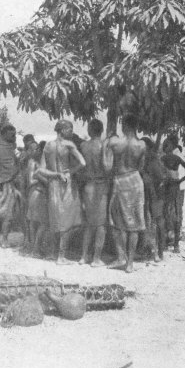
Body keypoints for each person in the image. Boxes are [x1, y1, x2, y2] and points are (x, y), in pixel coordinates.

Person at [37, 120, 86, 265]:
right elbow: (83, 163)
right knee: (70, 219)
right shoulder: (69, 144)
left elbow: (41, 169)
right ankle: (61, 256)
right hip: (66, 183)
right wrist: (70, 171)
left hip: (53, 183)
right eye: (70, 129)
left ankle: (54, 252)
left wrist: (56, 175)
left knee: (57, 218)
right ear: (62, 130)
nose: (72, 131)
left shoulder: (48, 145)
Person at [103, 114, 146, 273]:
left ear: (123, 125)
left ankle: (121, 256)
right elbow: (141, 167)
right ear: (136, 126)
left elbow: (107, 167)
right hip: (135, 180)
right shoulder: (141, 145)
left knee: (115, 221)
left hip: (120, 180)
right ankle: (130, 264)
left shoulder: (114, 142)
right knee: (134, 224)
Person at [79, 119, 108, 267]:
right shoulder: (103, 145)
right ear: (101, 130)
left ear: (90, 130)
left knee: (89, 224)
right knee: (100, 225)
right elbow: (107, 167)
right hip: (101, 184)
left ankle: (84, 256)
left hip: (88, 185)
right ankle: (96, 258)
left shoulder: (83, 146)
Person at [161, 137, 185, 253]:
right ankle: (176, 245)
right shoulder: (177, 158)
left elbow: (161, 174)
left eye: (165, 145)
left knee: (166, 213)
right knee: (176, 214)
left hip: (167, 189)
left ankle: (166, 243)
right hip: (176, 187)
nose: (164, 147)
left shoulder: (163, 159)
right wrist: (180, 181)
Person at [140, 137, 168, 261]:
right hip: (151, 195)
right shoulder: (147, 160)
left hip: (155, 195)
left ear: (148, 147)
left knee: (156, 223)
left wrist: (152, 186)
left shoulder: (152, 160)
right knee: (153, 223)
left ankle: (159, 251)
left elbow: (161, 178)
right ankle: (155, 251)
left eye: (143, 147)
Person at [25, 141, 49, 257]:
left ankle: (35, 248)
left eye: (38, 149)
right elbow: (30, 180)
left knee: (34, 222)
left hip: (35, 193)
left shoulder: (37, 162)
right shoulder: (32, 163)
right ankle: (35, 249)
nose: (37, 151)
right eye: (34, 149)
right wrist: (44, 180)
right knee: (43, 222)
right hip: (37, 192)